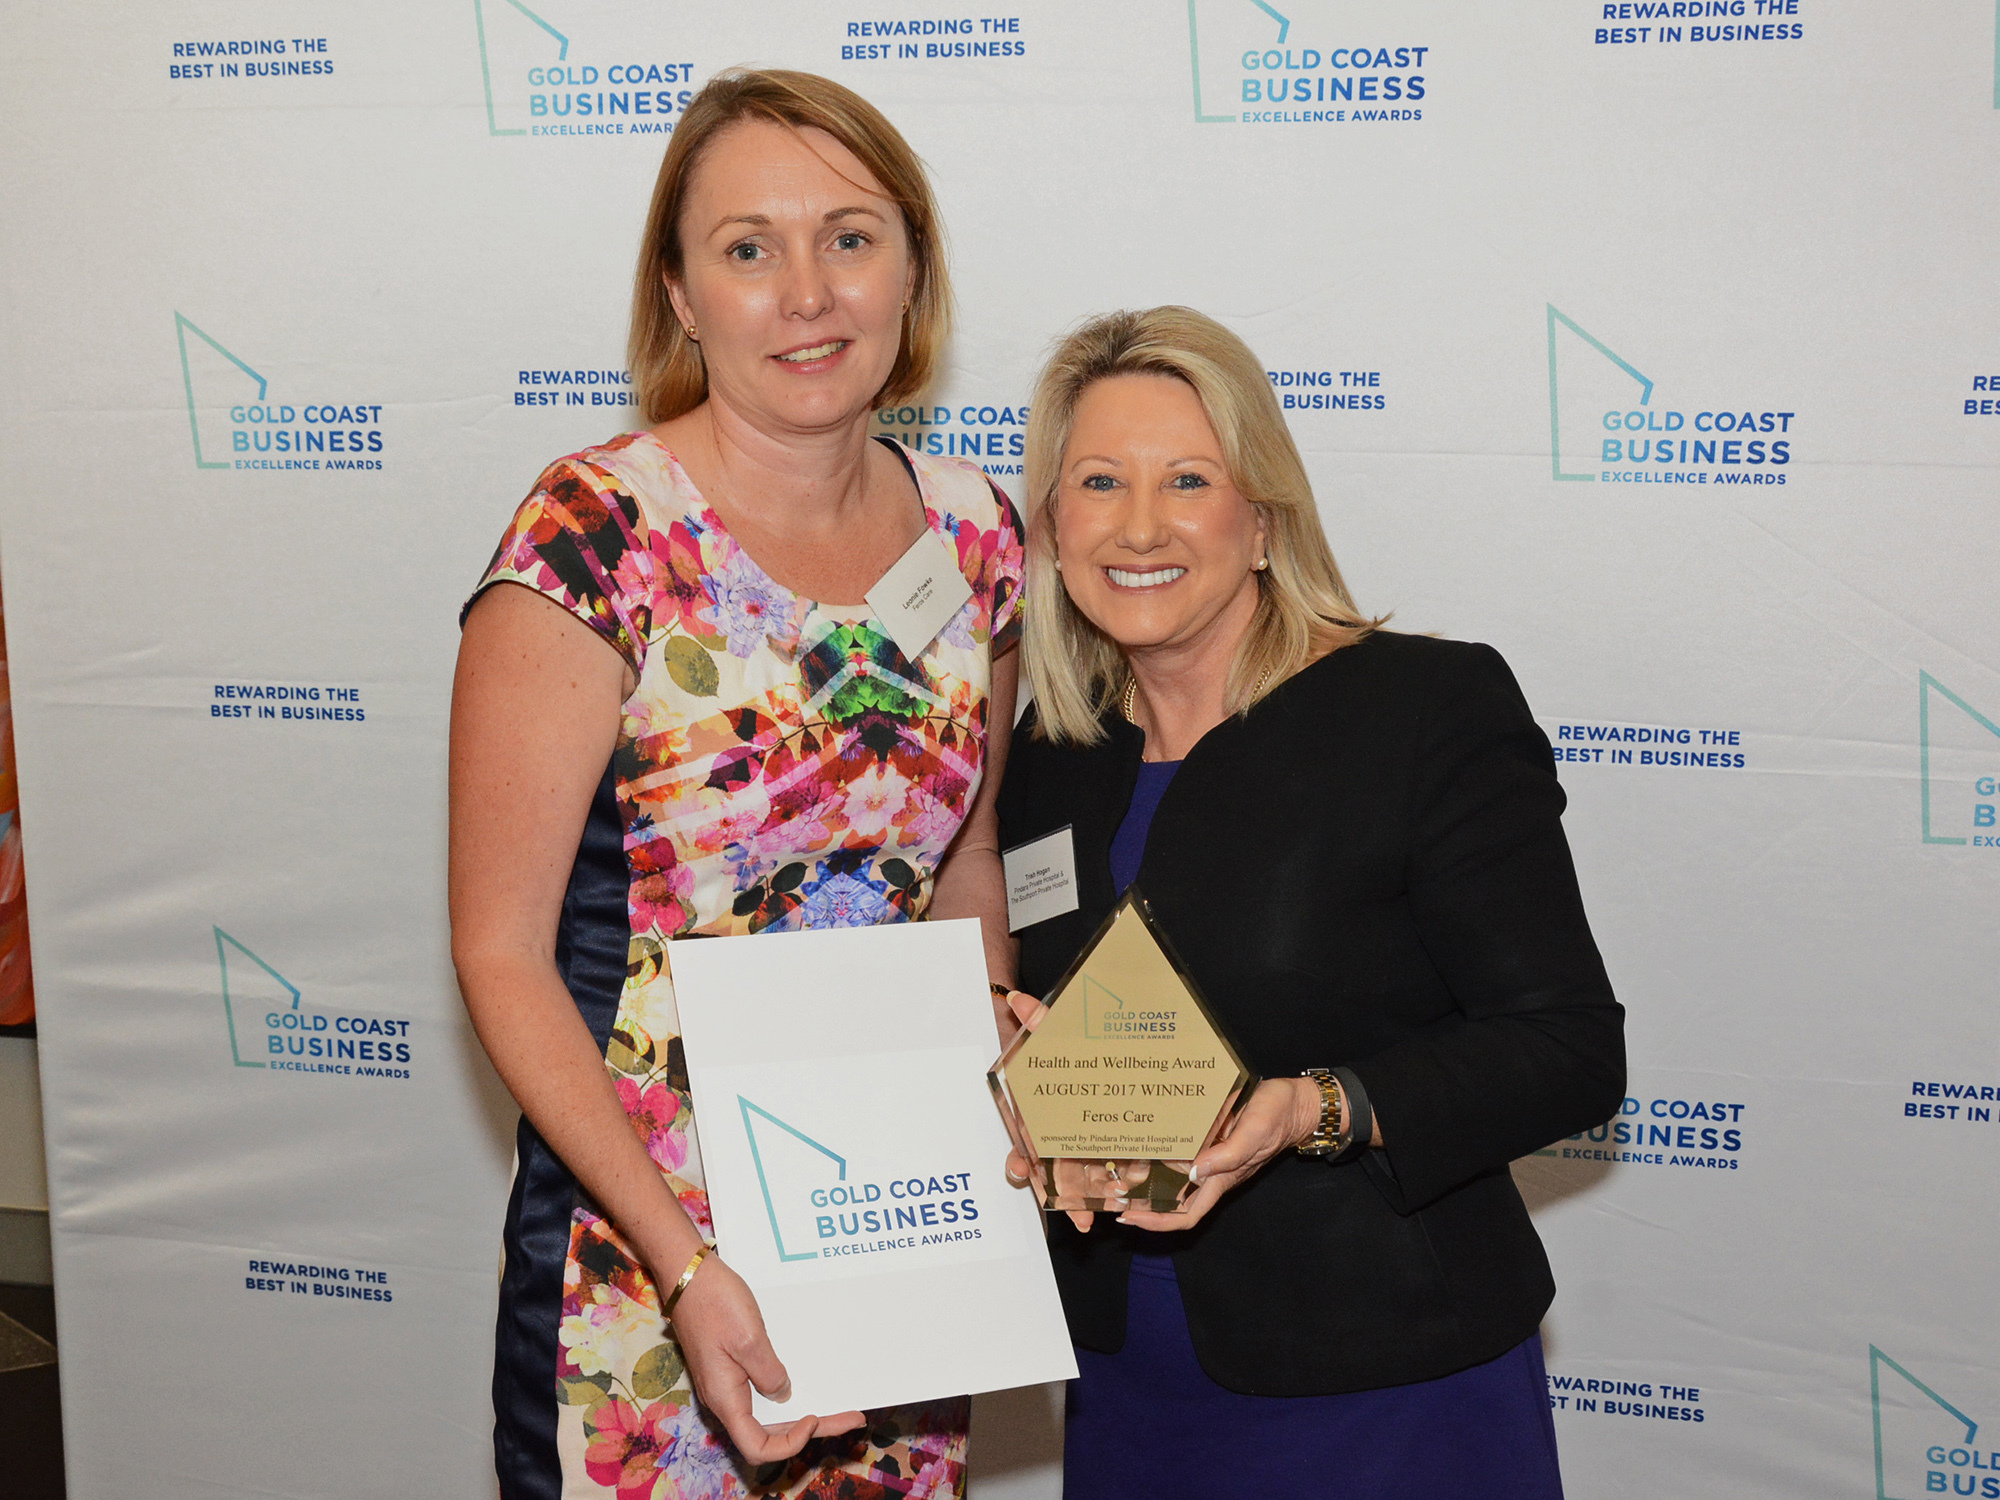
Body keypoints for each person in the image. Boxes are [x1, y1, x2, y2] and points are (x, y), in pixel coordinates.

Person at [450, 69, 1023, 1500]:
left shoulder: (978, 534)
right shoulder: (597, 531)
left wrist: (999, 1090)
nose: (808, 293)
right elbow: (500, 953)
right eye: (748, 248)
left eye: (849, 236)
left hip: (890, 1229)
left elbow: (962, 864)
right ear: (683, 296)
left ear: (912, 266)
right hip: (649, 1248)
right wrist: (689, 1266)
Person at [994, 306, 1625, 1498]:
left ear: (1263, 521)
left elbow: (1568, 1049)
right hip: (1126, 1374)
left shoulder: (1424, 710)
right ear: (1052, 524)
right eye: (1096, 482)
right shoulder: (1048, 753)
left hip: (1382, 1382)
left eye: (1187, 480)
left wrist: (1314, 1107)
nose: (1138, 526)